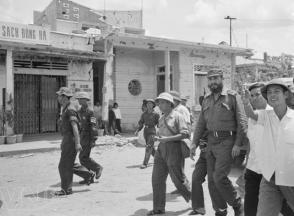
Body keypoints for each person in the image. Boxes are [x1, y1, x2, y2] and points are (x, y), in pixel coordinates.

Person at [190, 69, 247, 216]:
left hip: (227, 141)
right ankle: (220, 210)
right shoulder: (207, 100)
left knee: (219, 177)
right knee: (211, 181)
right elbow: (201, 124)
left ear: (222, 79)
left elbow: (242, 122)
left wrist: (238, 143)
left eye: (216, 78)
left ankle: (236, 203)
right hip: (211, 142)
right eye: (210, 79)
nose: (212, 82)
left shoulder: (232, 97)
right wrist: (194, 143)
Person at [242, 79, 294, 216]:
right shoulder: (266, 116)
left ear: (286, 95)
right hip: (270, 177)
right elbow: (251, 114)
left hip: (290, 178)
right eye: (269, 92)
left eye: (277, 91)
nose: (272, 95)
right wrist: (246, 102)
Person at [147, 92, 191, 216]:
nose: (159, 105)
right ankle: (158, 208)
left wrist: (167, 139)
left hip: (174, 149)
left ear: (169, 104)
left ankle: (194, 199)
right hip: (161, 150)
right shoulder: (161, 118)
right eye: (159, 102)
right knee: (157, 179)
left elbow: (185, 134)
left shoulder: (178, 116)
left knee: (178, 180)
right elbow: (162, 134)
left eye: (161, 102)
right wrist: (158, 138)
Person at [55, 87, 82, 196]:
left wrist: (77, 143)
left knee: (64, 165)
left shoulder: (70, 109)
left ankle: (66, 189)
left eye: (59, 95)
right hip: (67, 139)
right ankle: (67, 188)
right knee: (67, 164)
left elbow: (74, 127)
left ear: (64, 97)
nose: (58, 97)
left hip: (70, 140)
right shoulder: (65, 108)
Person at [74, 92, 103, 183]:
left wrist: (93, 139)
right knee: (83, 157)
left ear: (85, 100)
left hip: (88, 137)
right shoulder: (79, 111)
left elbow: (93, 126)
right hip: (82, 137)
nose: (79, 101)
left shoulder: (90, 112)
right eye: (78, 99)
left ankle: (97, 168)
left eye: (80, 99)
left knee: (83, 157)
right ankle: (88, 177)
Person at [189, 96, 209, 215]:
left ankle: (235, 204)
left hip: (216, 154)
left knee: (217, 183)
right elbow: (197, 133)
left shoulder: (220, 116)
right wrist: (194, 146)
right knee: (196, 178)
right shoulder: (202, 117)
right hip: (204, 154)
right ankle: (198, 207)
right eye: (204, 103)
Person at [135, 99, 160, 169]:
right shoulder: (144, 114)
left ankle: (145, 163)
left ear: (153, 105)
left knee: (148, 147)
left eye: (150, 104)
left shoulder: (156, 114)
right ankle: (160, 159)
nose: (149, 105)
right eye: (148, 104)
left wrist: (160, 131)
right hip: (145, 131)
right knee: (151, 148)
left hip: (152, 131)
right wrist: (138, 130)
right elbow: (141, 123)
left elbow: (159, 123)